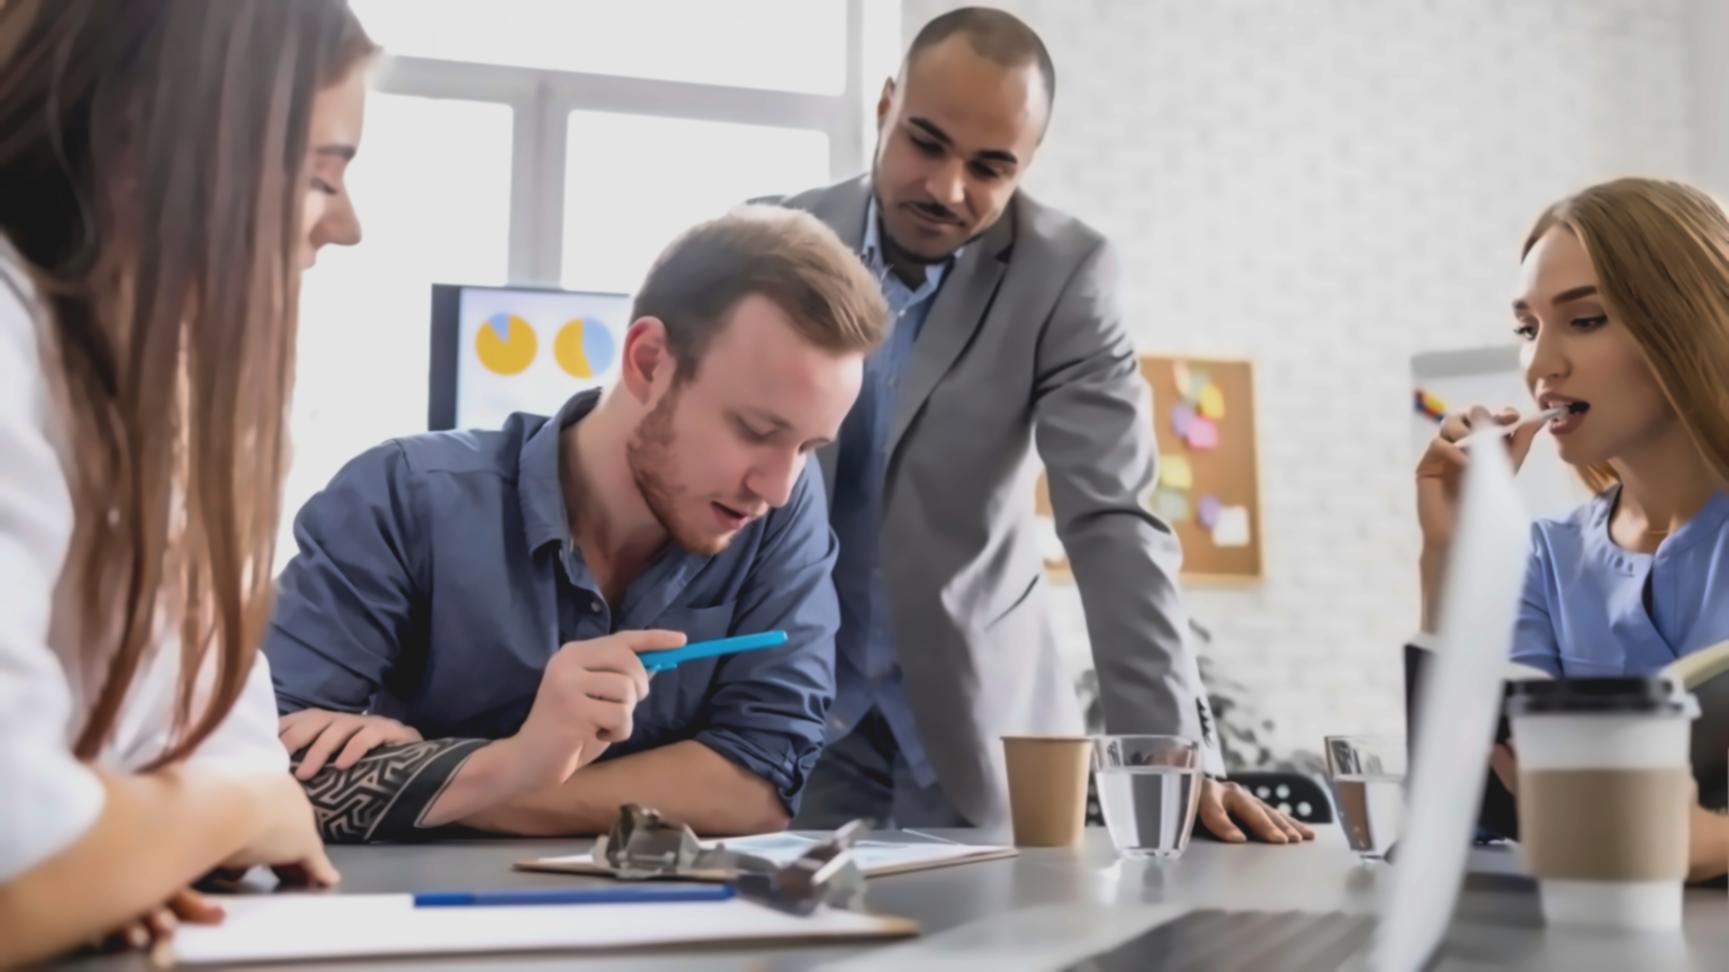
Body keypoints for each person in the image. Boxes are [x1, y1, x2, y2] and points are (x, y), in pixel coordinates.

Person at [767, 7, 1309, 841]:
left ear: (1028, 161)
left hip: (975, 728)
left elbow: (1112, 519)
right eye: (925, 142)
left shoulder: (1065, 274)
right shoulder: (772, 244)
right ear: (883, 107)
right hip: (788, 715)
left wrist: (1172, 752)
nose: (946, 189)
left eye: (989, 167)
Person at [262, 206, 889, 842]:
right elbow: (258, 770)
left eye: (809, 447)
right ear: (648, 361)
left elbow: (757, 787)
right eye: (754, 430)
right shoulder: (402, 498)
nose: (776, 488)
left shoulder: (778, 508)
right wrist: (512, 764)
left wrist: (438, 778)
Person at [0, 0, 375, 964]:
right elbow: (21, 868)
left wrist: (123, 847)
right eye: (317, 175)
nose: (345, 226)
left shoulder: (150, 408)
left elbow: (223, 748)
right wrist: (201, 819)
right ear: (149, 142)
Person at [1414, 176, 1729, 883]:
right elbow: (1480, 796)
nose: (1539, 365)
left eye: (1584, 320)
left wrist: (1708, 844)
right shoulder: (1544, 558)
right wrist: (1450, 555)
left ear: (1690, 324)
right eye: (1526, 330)